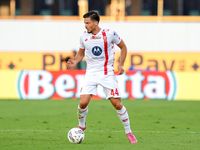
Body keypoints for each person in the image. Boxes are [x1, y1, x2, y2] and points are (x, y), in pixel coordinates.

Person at [66, 10, 137, 143]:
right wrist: (74, 61)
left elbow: (123, 47)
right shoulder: (83, 37)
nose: (85, 25)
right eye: (84, 23)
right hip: (91, 73)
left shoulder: (109, 34)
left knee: (117, 104)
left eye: (87, 23)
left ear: (96, 22)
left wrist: (121, 65)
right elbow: (81, 53)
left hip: (107, 73)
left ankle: (129, 132)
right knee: (83, 102)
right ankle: (81, 124)